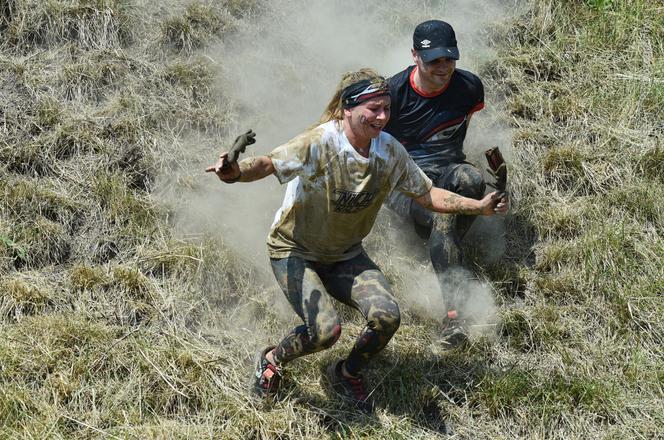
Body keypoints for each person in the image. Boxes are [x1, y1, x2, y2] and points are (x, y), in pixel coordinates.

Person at [206, 68, 508, 412]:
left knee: (387, 317)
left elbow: (426, 195)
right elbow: (268, 164)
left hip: (345, 255)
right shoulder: (320, 143)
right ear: (348, 108)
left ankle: (347, 372)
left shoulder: (388, 151)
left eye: (386, 108)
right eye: (373, 109)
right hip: (294, 251)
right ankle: (272, 359)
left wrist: (479, 206)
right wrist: (234, 172)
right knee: (325, 332)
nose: (382, 117)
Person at [384, 20, 494, 347]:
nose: (443, 67)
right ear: (415, 55)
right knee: (443, 217)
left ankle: (439, 246)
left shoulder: (470, 88)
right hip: (406, 181)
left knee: (471, 179)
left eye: (450, 58)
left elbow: (459, 134)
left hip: (447, 169)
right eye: (434, 60)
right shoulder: (392, 94)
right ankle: (453, 317)